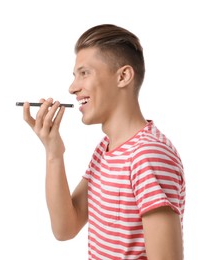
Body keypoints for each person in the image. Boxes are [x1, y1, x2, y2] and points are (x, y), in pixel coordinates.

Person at [23, 24, 185, 260]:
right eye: (75, 75)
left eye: (84, 73)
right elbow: (65, 228)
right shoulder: (106, 149)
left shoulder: (148, 154)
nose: (72, 88)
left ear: (123, 76)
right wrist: (53, 152)